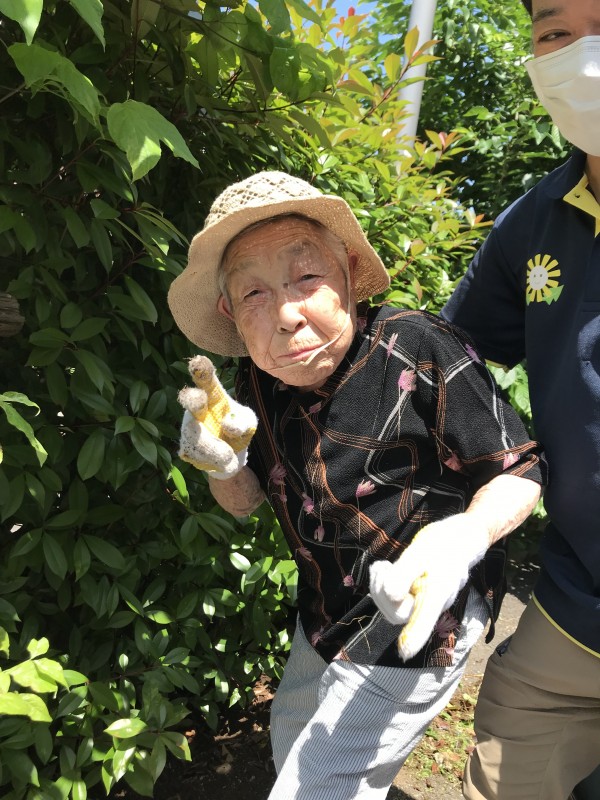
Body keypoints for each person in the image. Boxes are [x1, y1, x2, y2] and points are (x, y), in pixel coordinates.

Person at [168, 170, 546, 800]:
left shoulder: (418, 345)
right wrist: (223, 465)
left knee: (318, 787)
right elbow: (245, 504)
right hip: (324, 610)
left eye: (306, 277)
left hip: (421, 613)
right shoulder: (257, 379)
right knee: (292, 736)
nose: (286, 315)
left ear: (347, 273)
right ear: (229, 312)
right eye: (254, 292)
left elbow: (520, 469)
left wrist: (465, 537)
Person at [441, 1, 600, 798]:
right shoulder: (534, 224)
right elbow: (443, 364)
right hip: (579, 607)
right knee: (505, 764)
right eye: (556, 32)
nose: (586, 55)